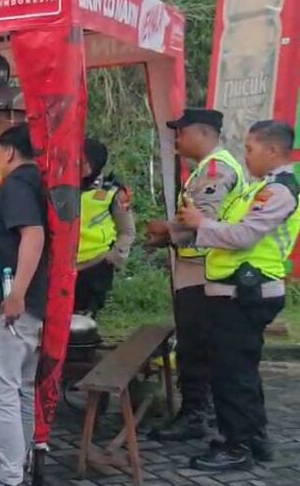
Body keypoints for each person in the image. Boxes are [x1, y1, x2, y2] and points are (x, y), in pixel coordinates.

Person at [178, 120, 299, 471]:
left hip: (246, 293)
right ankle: (254, 438)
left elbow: (244, 236)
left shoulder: (278, 191)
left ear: (272, 151)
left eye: (250, 149)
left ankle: (238, 446)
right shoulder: (260, 187)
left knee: (232, 374)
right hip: (236, 291)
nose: (245, 156)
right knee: (240, 371)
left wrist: (200, 223)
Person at [147, 108, 245, 442]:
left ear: (203, 133)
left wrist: (166, 230)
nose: (177, 139)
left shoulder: (217, 169)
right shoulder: (205, 168)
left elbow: (203, 218)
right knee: (197, 343)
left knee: (195, 345)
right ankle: (204, 411)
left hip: (204, 270)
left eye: (182, 132)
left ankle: (195, 415)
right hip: (198, 266)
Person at [0, 123, 48, 486]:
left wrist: (16, 293)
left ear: (8, 152)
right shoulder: (40, 183)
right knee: (21, 388)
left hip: (16, 304)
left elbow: (33, 235)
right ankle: (16, 466)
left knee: (1, 389)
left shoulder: (18, 186)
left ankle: (8, 475)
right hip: (36, 304)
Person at [75, 138, 135, 316]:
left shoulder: (112, 192)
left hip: (96, 264)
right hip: (65, 264)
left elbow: (127, 231)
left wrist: (114, 257)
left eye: (84, 161)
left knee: (86, 320)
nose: (79, 165)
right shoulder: (62, 187)